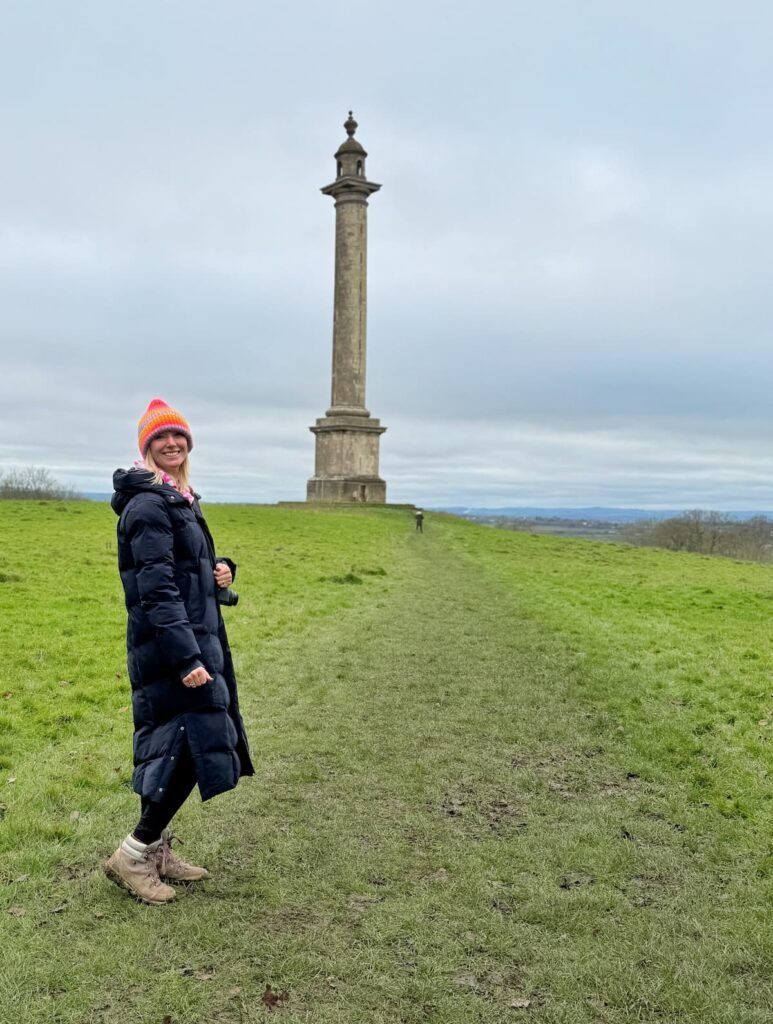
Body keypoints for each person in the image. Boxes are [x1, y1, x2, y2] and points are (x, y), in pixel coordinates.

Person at [104, 398, 254, 905]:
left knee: (179, 742)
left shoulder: (180, 498)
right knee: (190, 745)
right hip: (173, 645)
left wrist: (222, 571)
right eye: (161, 438)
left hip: (191, 636)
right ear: (146, 447)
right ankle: (135, 851)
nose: (173, 444)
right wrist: (187, 659)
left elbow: (186, 570)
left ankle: (153, 848)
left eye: (180, 437)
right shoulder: (150, 505)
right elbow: (157, 590)